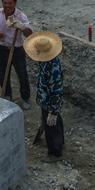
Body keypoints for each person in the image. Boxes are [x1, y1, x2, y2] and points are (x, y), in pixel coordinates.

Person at [0, 0, 34, 110]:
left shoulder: (20, 16)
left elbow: (30, 34)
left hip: (17, 50)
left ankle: (25, 97)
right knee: (4, 74)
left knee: (22, 74)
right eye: (5, 3)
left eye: (10, 3)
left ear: (15, 3)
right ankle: (7, 96)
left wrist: (21, 27)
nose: (7, 6)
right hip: (2, 48)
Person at [24, 31, 65, 163]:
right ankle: (59, 142)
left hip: (50, 102)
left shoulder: (53, 68)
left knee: (51, 126)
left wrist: (53, 111)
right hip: (45, 100)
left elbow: (56, 91)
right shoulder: (44, 63)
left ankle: (55, 153)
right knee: (55, 124)